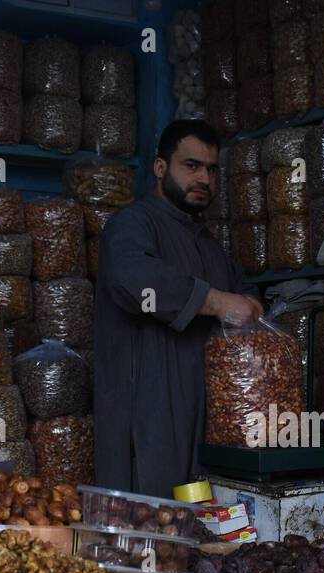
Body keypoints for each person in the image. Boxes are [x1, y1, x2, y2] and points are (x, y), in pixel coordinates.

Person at [93, 120, 263, 497]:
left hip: (200, 415)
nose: (204, 178)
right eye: (191, 166)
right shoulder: (132, 224)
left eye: (212, 169)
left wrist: (249, 303)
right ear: (159, 168)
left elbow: (243, 290)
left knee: (194, 523)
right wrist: (216, 302)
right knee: (148, 526)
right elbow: (132, 278)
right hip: (148, 414)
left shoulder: (207, 242)